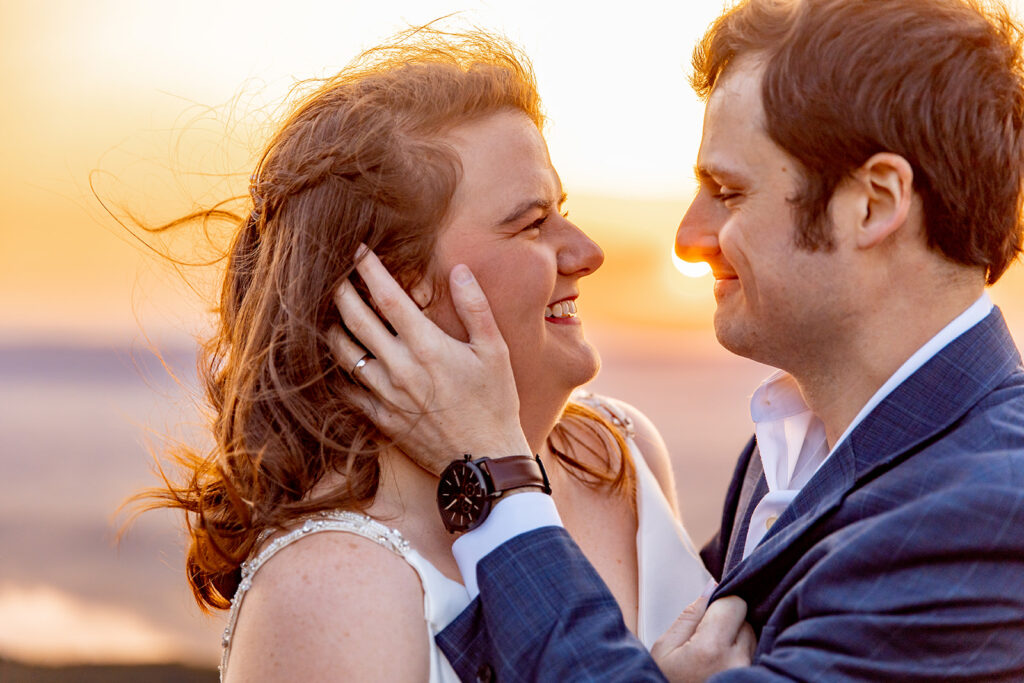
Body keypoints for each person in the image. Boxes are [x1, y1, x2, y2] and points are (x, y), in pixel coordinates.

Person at [337, 0, 1024, 680]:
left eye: (727, 191)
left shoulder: (987, 515)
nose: (688, 240)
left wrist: (492, 470)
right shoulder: (792, 445)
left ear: (874, 203)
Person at [136, 28, 712, 682]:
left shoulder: (616, 454)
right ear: (393, 292)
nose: (586, 251)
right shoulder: (335, 588)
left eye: (563, 210)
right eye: (530, 222)